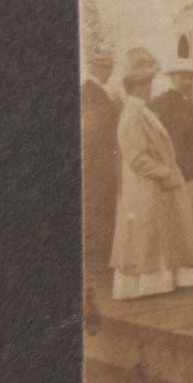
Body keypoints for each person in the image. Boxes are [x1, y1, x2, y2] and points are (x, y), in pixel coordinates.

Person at [108, 55, 193, 299]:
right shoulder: (132, 115)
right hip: (145, 187)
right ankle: (148, 284)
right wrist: (165, 173)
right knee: (147, 239)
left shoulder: (141, 111)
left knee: (157, 237)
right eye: (147, 83)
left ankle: (160, 282)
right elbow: (137, 158)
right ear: (136, 86)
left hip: (153, 187)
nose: (150, 88)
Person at [148, 59, 193, 224]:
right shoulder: (162, 104)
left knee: (187, 223)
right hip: (176, 173)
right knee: (178, 224)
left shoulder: (190, 105)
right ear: (172, 78)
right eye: (183, 77)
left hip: (192, 172)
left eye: (191, 78)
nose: (188, 82)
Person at [81, 45, 122, 288]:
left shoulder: (97, 91)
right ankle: (100, 261)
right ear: (98, 67)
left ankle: (103, 258)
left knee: (104, 209)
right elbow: (93, 130)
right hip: (99, 162)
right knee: (102, 209)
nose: (110, 71)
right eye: (107, 67)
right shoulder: (91, 92)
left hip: (102, 160)